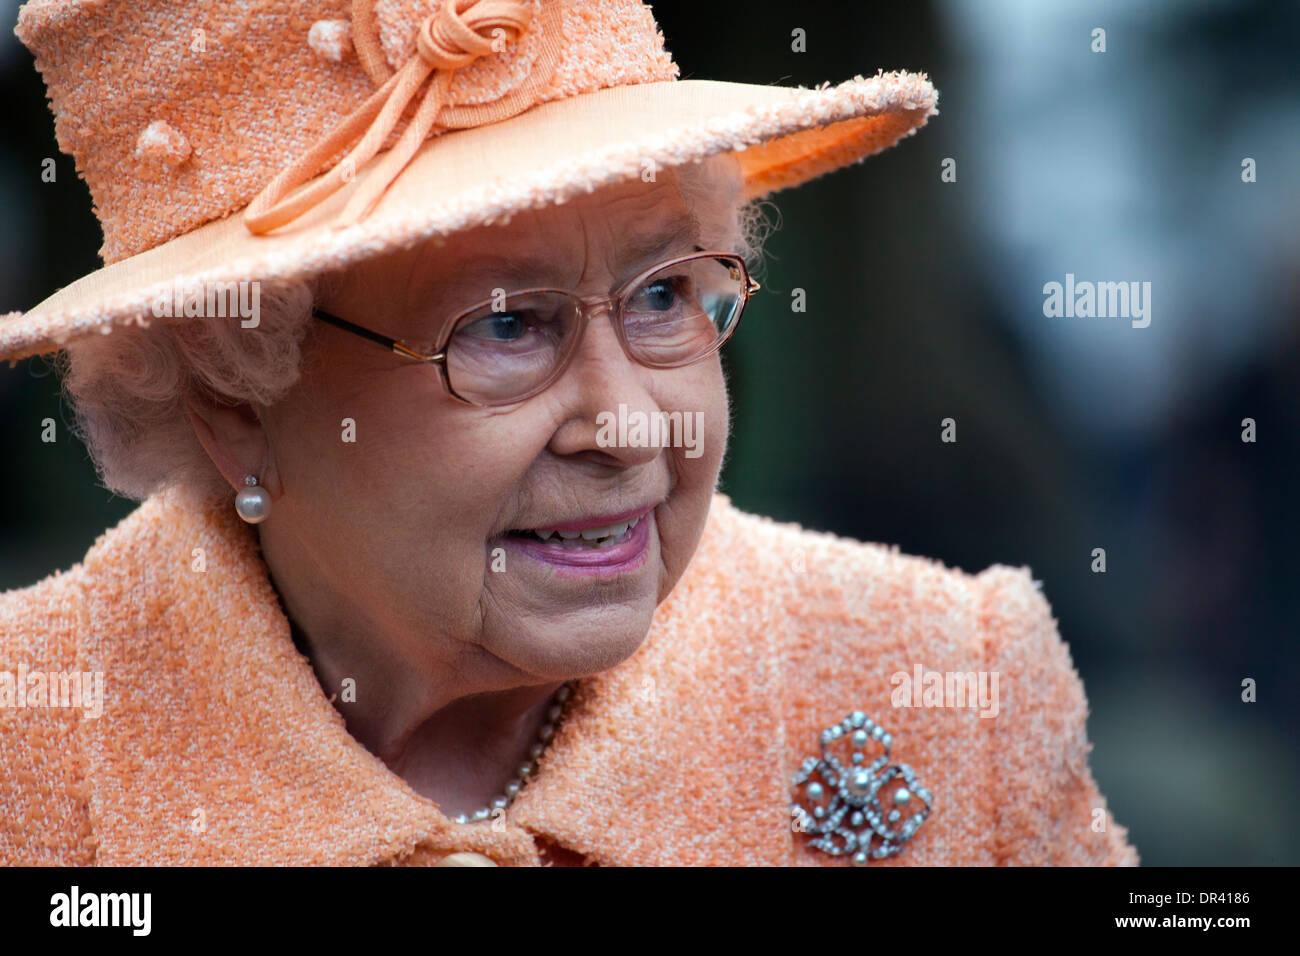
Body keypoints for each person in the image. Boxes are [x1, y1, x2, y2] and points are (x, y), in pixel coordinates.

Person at [0, 0, 1137, 866]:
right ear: (237, 404)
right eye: (504, 324)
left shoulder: (949, 689)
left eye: (663, 295)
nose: (627, 424)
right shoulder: (28, 753)